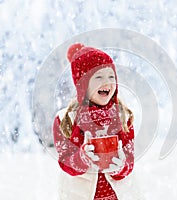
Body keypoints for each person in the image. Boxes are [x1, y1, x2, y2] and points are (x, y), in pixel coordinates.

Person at [53, 43, 141, 200]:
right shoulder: (65, 120)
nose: (107, 82)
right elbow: (66, 161)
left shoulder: (123, 117)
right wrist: (82, 158)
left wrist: (120, 167)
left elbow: (129, 160)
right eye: (98, 77)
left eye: (111, 76)